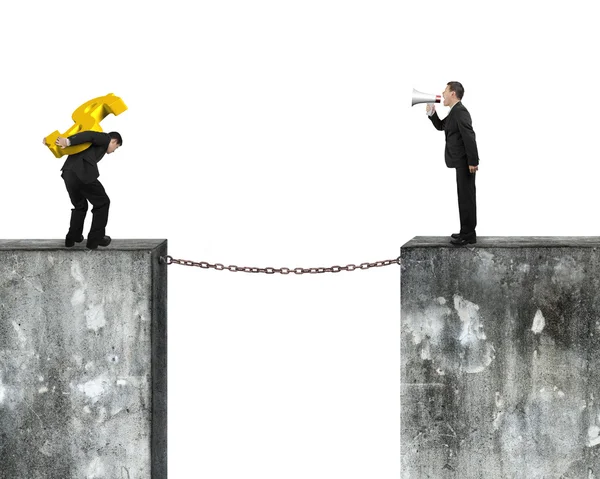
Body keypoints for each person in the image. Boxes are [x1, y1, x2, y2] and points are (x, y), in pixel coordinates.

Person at [43, 131, 122, 249]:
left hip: (68, 173)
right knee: (103, 202)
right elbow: (89, 134)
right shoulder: (105, 138)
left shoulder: (89, 145)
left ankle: (72, 237)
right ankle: (96, 239)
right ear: (114, 141)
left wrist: (50, 141)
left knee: (80, 206)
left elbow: (83, 139)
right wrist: (68, 141)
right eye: (115, 148)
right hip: (82, 173)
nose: (112, 152)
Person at [426, 81, 480, 246]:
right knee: (463, 197)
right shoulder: (454, 112)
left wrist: (473, 161)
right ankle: (466, 231)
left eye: (445, 91)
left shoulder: (460, 112)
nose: (442, 94)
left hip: (465, 162)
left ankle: (469, 234)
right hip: (461, 162)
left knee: (466, 198)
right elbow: (442, 126)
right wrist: (432, 114)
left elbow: (469, 136)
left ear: (453, 93)